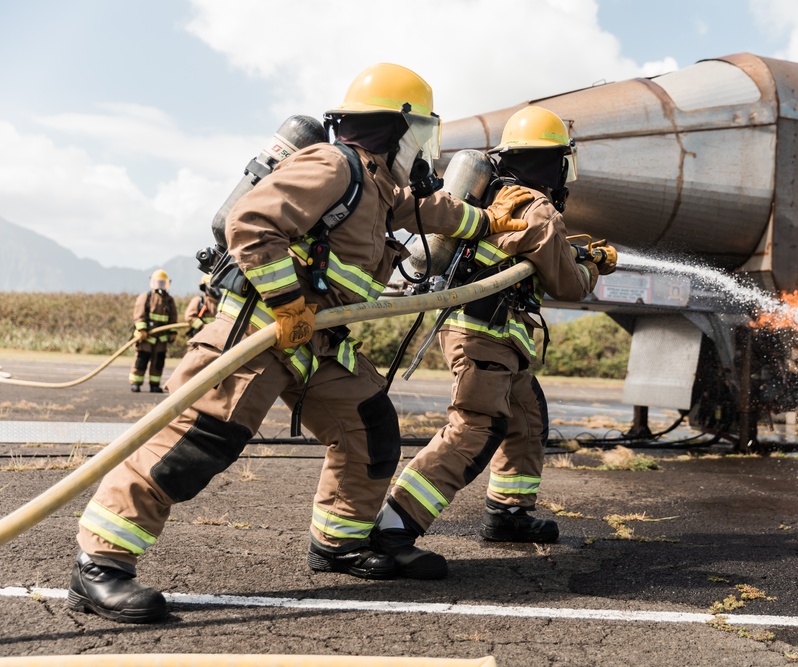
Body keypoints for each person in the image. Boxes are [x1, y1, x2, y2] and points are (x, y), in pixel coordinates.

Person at [67, 63, 532, 624]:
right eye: (424, 134)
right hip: (261, 332)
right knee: (194, 445)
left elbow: (433, 212)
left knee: (370, 428)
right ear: (400, 126)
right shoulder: (334, 165)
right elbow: (251, 222)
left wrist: (489, 222)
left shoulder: (382, 187)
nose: (426, 149)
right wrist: (288, 305)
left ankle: (337, 544)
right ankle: (100, 566)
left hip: (316, 345)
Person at [372, 106, 618, 579]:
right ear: (550, 163)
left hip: (494, 335)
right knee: (473, 430)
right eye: (562, 163)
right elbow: (568, 284)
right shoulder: (537, 207)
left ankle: (508, 514)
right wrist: (594, 265)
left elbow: (531, 255)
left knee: (526, 419)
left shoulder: (499, 197)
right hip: (486, 336)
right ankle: (395, 527)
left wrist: (573, 253)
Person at [128, 269, 178, 393]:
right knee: (141, 360)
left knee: (158, 362)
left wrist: (172, 333)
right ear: (152, 283)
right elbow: (139, 315)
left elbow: (173, 319)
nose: (161, 286)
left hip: (161, 339)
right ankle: (136, 383)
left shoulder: (170, 301)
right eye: (158, 283)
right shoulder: (146, 297)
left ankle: (154, 385)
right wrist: (142, 330)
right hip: (146, 338)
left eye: (163, 283)